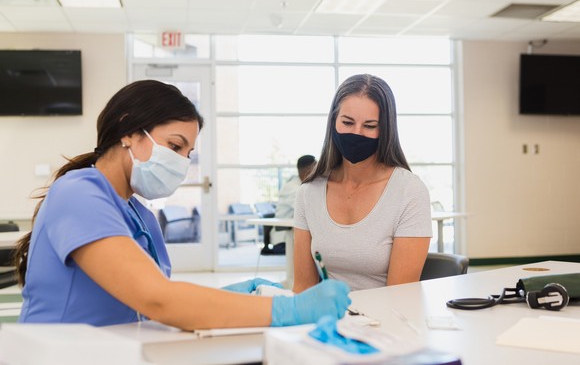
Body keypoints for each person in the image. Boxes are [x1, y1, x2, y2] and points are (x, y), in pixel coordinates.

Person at [13, 80, 351, 330]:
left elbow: (148, 301)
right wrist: (287, 312)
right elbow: (158, 299)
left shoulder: (138, 213)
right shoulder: (78, 193)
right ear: (129, 130)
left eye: (188, 153)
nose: (181, 162)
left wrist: (232, 299)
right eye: (175, 146)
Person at [292, 74, 433, 293]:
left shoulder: (409, 191)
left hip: (386, 321)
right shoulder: (309, 192)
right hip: (327, 321)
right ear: (333, 122)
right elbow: (302, 288)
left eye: (369, 125)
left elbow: (399, 297)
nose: (356, 133)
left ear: (385, 130)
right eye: (347, 122)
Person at [269, 155, 316, 289]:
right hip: (284, 235)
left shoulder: (302, 185)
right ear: (307, 170)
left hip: (294, 232)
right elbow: (308, 210)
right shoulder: (294, 188)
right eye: (315, 168)